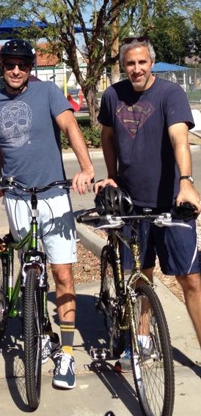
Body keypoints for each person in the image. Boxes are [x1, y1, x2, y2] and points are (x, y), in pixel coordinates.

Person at [0, 39, 95, 389]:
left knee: (61, 272)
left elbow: (70, 128)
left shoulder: (47, 92)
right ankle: (39, 328)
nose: (16, 70)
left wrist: (87, 168)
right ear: (1, 66)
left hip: (53, 194)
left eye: (23, 64)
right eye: (10, 64)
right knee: (31, 266)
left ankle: (67, 353)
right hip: (16, 196)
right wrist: (2, 175)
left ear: (31, 68)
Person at [96, 36, 201, 369]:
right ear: (122, 65)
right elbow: (107, 135)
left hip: (172, 203)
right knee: (138, 278)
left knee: (192, 279)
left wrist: (186, 182)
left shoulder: (170, 94)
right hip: (130, 205)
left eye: (142, 62)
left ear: (151, 63)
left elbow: (179, 137)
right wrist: (111, 175)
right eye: (130, 63)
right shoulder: (113, 95)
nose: (136, 69)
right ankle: (141, 343)